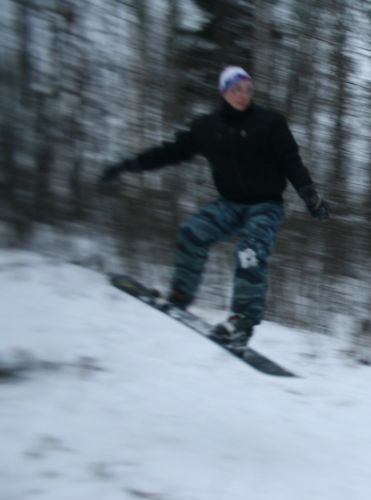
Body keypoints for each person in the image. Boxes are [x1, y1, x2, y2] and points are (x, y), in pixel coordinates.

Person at [101, 66, 330, 348]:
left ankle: (242, 322)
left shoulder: (270, 122)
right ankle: (181, 295)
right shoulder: (207, 128)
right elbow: (170, 152)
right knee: (191, 232)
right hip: (229, 204)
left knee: (250, 253)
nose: (243, 95)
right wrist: (128, 166)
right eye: (236, 90)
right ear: (224, 92)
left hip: (265, 205)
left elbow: (291, 161)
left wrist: (309, 195)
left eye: (247, 89)